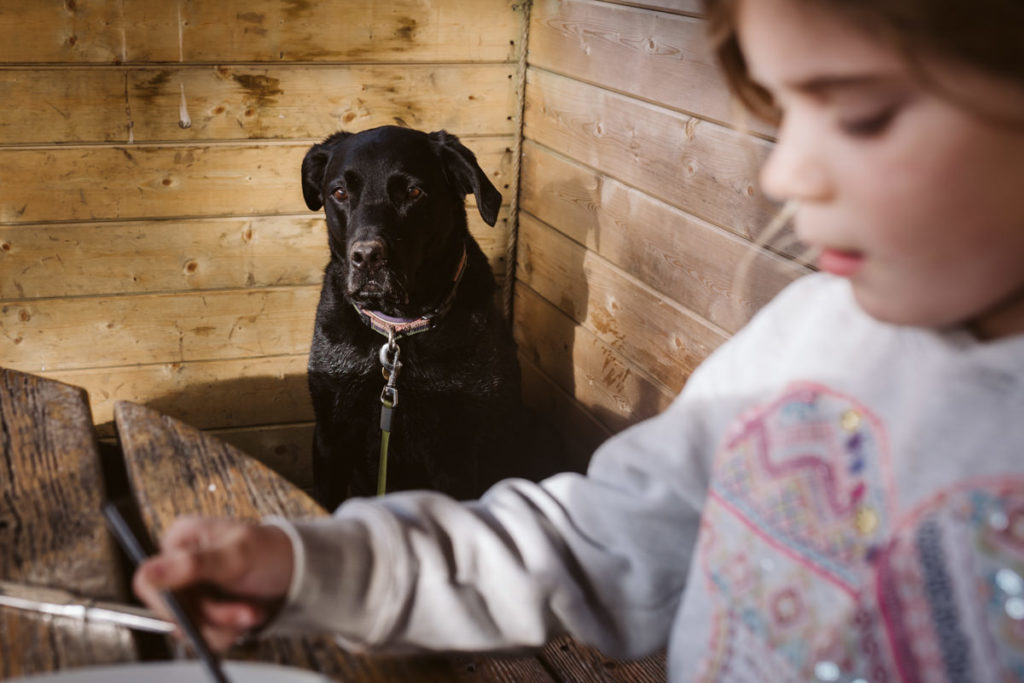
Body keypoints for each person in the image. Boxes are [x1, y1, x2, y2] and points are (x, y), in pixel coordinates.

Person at [133, 0, 1024, 679]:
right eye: (779, 116)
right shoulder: (802, 339)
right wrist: (316, 560)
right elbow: (591, 541)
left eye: (864, 114)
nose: (785, 173)